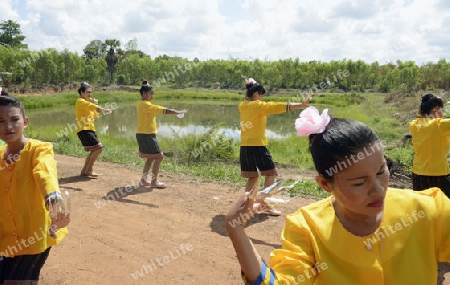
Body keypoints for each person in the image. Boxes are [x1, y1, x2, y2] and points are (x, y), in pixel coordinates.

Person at [226, 106, 450, 284]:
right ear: (325, 183)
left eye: (381, 171)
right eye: (359, 182)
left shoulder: (427, 209)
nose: (379, 189)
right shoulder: (308, 228)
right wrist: (235, 230)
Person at [0, 96, 70, 284]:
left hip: (32, 236)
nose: (8, 126)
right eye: (1, 122)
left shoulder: (39, 149)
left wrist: (53, 200)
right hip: (4, 237)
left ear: (25, 122)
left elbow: (45, 172)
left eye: (14, 119)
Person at [238, 78, 310, 216]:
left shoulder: (242, 105)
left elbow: (250, 97)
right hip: (258, 145)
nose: (263, 98)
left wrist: (250, 86)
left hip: (245, 145)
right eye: (261, 94)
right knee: (270, 173)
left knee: (252, 177)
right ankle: (265, 205)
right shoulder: (258, 106)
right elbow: (278, 106)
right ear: (256, 94)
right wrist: (300, 104)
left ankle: (244, 205)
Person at [136, 80, 186, 188]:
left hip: (145, 134)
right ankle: (154, 182)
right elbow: (160, 109)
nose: (152, 96)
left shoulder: (144, 104)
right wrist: (176, 112)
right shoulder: (145, 105)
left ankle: (143, 181)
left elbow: (157, 109)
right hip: (146, 135)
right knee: (158, 156)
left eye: (153, 93)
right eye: (151, 93)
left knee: (150, 158)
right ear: (144, 94)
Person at [409, 93, 450, 198]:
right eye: (442, 110)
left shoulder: (414, 124)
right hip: (438, 175)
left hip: (418, 176)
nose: (442, 114)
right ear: (436, 109)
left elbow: (421, 117)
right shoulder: (438, 125)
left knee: (424, 206)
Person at [75, 82, 112, 178]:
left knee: (94, 150)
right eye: (88, 92)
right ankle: (89, 170)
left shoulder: (87, 104)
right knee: (98, 148)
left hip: (90, 129)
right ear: (82, 92)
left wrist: (96, 104)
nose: (90, 94)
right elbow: (93, 107)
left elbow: (95, 115)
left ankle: (85, 170)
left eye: (91, 92)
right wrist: (103, 109)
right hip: (84, 129)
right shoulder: (80, 101)